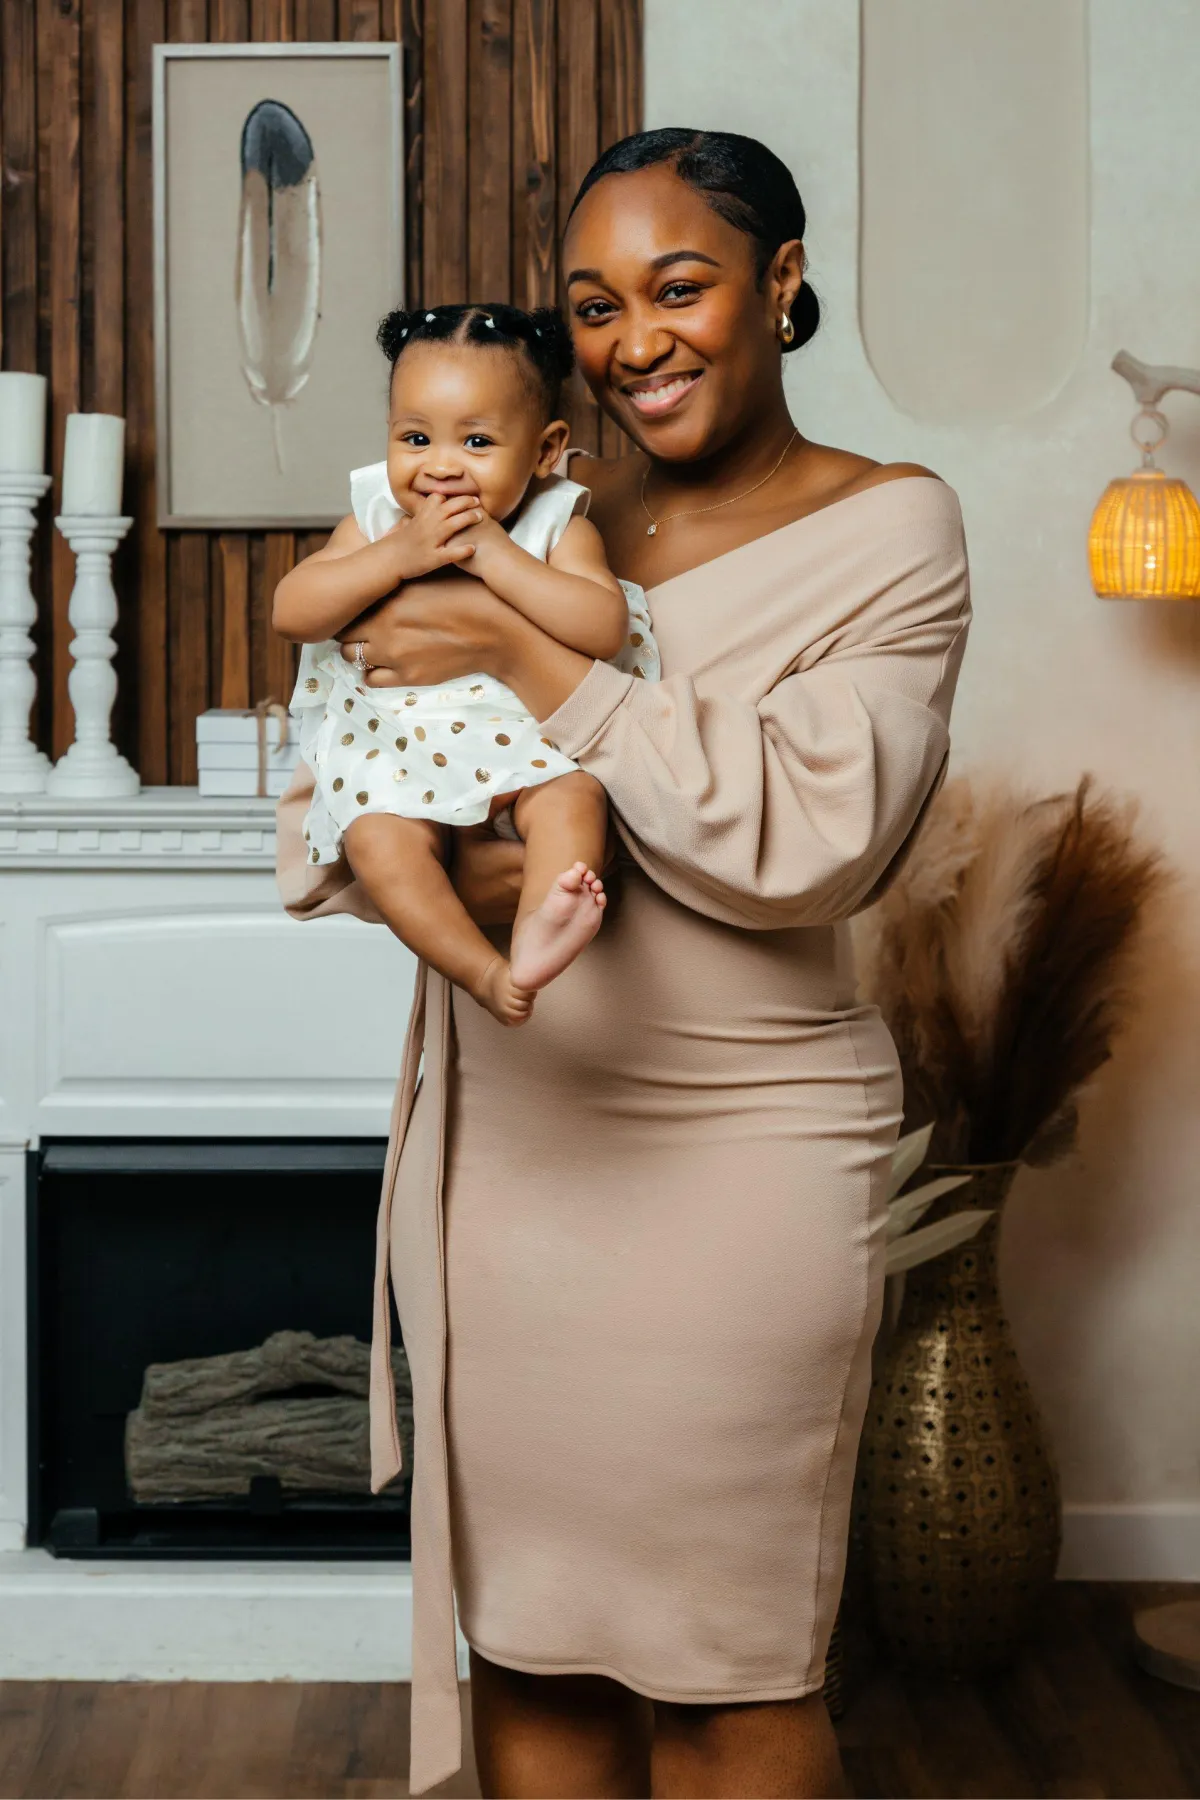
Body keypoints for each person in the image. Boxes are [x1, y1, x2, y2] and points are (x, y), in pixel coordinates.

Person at [278, 127, 971, 1799]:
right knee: (534, 1642)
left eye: (680, 287)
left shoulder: (893, 531)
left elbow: (810, 845)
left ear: (780, 285)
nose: (634, 337)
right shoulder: (537, 499)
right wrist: (477, 847)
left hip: (742, 1157)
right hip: (517, 1158)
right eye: (593, 304)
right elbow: (333, 797)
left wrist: (533, 670)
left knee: (732, 1665)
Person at [273, 303, 659, 1026]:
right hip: (398, 748)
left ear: (545, 450)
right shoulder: (375, 521)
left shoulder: (557, 523)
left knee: (575, 802)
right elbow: (294, 609)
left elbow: (602, 626)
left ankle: (546, 925)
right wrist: (394, 556)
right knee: (377, 839)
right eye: (415, 437)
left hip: (524, 742)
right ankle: (483, 970)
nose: (441, 466)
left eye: (477, 441)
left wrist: (498, 556)